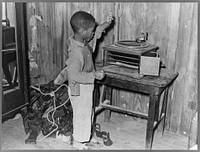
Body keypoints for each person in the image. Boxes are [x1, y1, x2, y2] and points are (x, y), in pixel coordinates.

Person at [54, 11, 113, 149]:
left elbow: (97, 32)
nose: (94, 33)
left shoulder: (83, 41)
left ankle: (86, 136)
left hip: (86, 86)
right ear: (82, 31)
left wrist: (107, 23)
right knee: (82, 116)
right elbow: (73, 75)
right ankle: (78, 141)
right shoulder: (76, 53)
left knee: (89, 113)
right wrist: (94, 76)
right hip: (79, 90)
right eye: (91, 31)